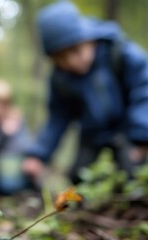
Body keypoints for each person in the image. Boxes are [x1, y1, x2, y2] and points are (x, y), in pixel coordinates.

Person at [23, 1, 148, 184]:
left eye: (75, 50)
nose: (71, 62)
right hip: (92, 135)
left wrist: (141, 136)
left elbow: (143, 91)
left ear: (89, 39)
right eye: (61, 57)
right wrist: (39, 155)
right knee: (78, 179)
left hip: (128, 130)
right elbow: (58, 117)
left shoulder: (121, 53)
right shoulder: (61, 79)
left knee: (132, 173)